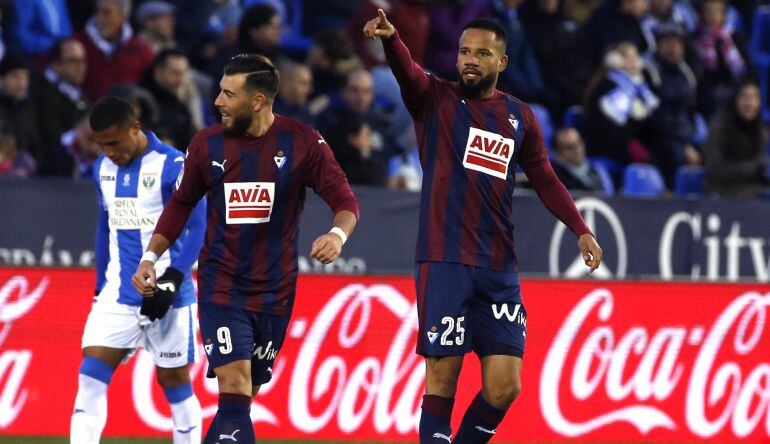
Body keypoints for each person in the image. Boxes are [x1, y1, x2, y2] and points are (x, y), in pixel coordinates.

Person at [364, 10, 602, 443]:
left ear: (502, 63)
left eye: (482, 53)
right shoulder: (435, 99)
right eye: (464, 51)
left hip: (498, 268)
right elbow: (408, 73)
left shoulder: (519, 117)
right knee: (443, 378)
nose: (470, 60)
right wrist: (392, 40)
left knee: (505, 385)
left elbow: (545, 177)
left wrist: (580, 229)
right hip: (445, 260)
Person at [132, 54, 360, 443]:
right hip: (223, 285)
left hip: (276, 290)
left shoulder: (302, 142)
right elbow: (181, 203)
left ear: (257, 101)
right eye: (219, 91)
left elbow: (346, 202)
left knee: (239, 402)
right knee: (235, 388)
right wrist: (151, 256)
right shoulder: (206, 144)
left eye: (228, 94)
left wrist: (336, 236)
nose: (217, 101)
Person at [70, 96, 206, 444]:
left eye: (114, 143)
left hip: (168, 296)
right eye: (101, 144)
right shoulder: (103, 169)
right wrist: (100, 288)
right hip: (118, 294)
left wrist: (173, 280)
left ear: (135, 128)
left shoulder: (173, 165)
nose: (108, 152)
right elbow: (105, 228)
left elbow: (198, 226)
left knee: (174, 383)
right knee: (90, 377)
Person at [75, 0, 155, 101]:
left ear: (123, 16)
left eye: (107, 13)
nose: (99, 18)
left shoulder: (141, 50)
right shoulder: (76, 45)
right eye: (97, 12)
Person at [703, 80, 769, 197]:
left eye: (755, 98)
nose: (750, 103)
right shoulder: (718, 128)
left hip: (752, 191)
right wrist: (754, 168)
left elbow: (761, 168)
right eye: (745, 97)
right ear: (735, 100)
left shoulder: (759, 130)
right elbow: (714, 169)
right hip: (721, 193)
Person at [551, 127, 604, 191]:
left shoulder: (596, 170)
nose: (577, 149)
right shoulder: (554, 177)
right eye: (570, 147)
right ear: (558, 153)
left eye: (579, 143)